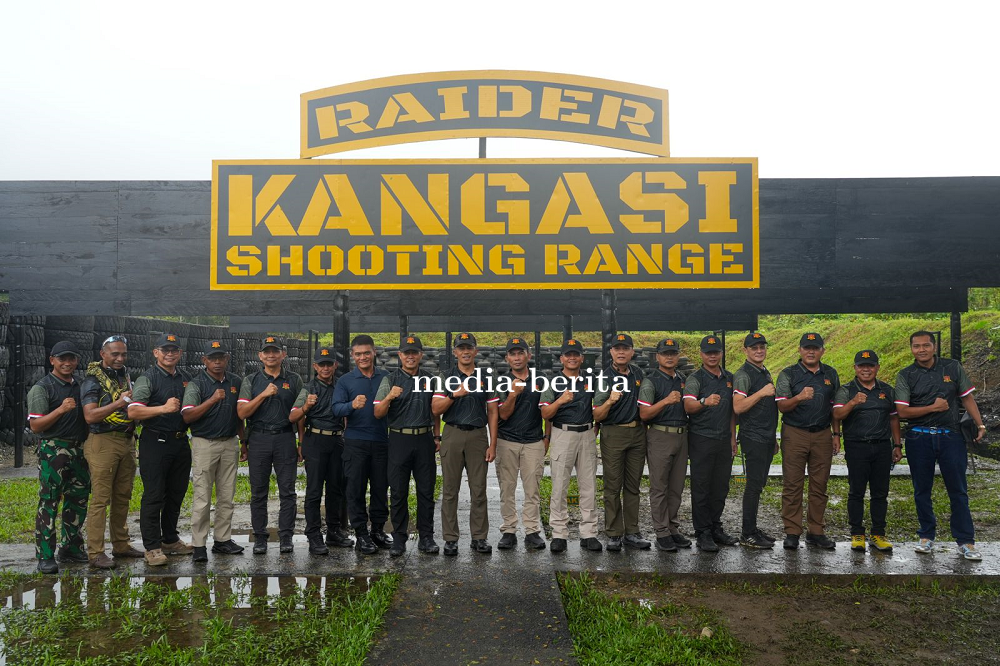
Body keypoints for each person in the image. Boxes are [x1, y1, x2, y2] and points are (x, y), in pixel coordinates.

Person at [894, 331, 986, 561]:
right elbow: (903, 411)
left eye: (926, 345)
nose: (921, 350)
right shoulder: (906, 375)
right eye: (916, 346)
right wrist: (932, 408)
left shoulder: (952, 367)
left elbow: (967, 398)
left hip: (951, 437)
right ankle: (926, 536)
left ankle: (966, 541)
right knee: (921, 490)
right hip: (919, 438)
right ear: (911, 349)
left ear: (934, 347)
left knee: (958, 490)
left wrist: (980, 423)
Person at [128, 333, 193, 566]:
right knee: (154, 495)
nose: (169, 354)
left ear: (180, 354)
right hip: (155, 442)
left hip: (180, 442)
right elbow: (134, 412)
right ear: (156, 353)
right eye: (165, 350)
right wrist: (163, 409)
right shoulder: (148, 378)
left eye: (174, 350)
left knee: (176, 493)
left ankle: (170, 539)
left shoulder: (185, 378)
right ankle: (152, 547)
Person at [27, 341, 90, 574]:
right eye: (62, 358)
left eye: (71, 358)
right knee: (50, 501)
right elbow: (35, 425)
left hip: (79, 450)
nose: (67, 363)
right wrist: (60, 410)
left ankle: (71, 547)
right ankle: (45, 555)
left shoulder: (80, 386)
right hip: (54, 449)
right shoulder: (42, 388)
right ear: (52, 360)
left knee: (78, 499)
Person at [373, 335, 440, 557]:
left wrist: (437, 436)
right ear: (399, 355)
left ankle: (426, 537)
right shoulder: (390, 380)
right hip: (399, 439)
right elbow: (377, 412)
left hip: (424, 438)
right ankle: (399, 539)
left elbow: (435, 410)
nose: (410, 356)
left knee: (426, 490)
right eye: (406, 353)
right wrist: (389, 397)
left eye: (414, 352)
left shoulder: (430, 379)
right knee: (399, 491)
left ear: (421, 355)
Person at [81, 334, 143, 569]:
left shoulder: (123, 376)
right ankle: (96, 552)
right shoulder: (92, 381)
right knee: (100, 499)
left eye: (123, 354)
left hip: (126, 440)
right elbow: (89, 416)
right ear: (102, 354)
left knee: (123, 496)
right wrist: (120, 403)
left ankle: (121, 545)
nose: (119, 358)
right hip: (103, 441)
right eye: (115, 354)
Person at [236, 336, 303, 555]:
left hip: (285, 438)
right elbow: (242, 413)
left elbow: (301, 414)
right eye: (267, 352)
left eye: (275, 351)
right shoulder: (251, 380)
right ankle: (260, 538)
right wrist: (264, 394)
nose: (271, 355)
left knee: (288, 491)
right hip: (259, 439)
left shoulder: (294, 380)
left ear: (283, 355)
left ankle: (286, 537)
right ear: (260, 356)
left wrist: (301, 441)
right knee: (258, 492)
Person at [433, 332, 497, 556]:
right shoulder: (446, 376)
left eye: (469, 347)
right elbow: (435, 409)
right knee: (450, 490)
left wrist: (493, 443)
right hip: (452, 432)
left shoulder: (485, 377)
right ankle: (450, 539)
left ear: (476, 351)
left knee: (479, 489)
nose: (465, 351)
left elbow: (492, 411)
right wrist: (454, 394)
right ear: (455, 352)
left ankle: (479, 537)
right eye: (461, 348)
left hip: (478, 435)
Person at [181, 339, 245, 562]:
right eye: (212, 358)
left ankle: (222, 540)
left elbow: (239, 416)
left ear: (227, 359)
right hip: (204, 443)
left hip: (230, 442)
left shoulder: (235, 381)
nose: (217, 362)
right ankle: (199, 544)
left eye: (221, 358)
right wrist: (212, 399)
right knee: (202, 496)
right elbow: (188, 415)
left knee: (227, 495)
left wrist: (244, 442)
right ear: (204, 360)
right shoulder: (196, 384)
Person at [775, 332, 840, 550]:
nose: (811, 351)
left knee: (819, 484)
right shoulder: (788, 374)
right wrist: (799, 397)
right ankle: (792, 531)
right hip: (795, 433)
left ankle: (816, 531)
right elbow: (782, 406)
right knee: (793, 484)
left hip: (822, 434)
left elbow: (836, 408)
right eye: (806, 348)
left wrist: (836, 434)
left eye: (815, 347)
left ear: (822, 350)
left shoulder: (830, 373)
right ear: (800, 350)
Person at [833, 350, 901, 553]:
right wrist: (853, 402)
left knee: (880, 493)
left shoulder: (887, 390)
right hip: (856, 446)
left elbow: (894, 418)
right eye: (862, 366)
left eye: (870, 366)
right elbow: (836, 414)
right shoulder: (846, 390)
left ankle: (878, 534)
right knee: (856, 491)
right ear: (855, 368)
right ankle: (857, 534)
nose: (866, 369)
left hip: (882, 446)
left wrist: (897, 445)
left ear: (877, 368)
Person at [331, 334, 392, 555]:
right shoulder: (346, 381)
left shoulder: (386, 377)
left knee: (379, 488)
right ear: (352, 356)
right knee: (355, 489)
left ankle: (377, 530)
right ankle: (361, 534)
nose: (363, 357)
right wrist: (351, 405)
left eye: (367, 352)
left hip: (381, 441)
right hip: (355, 443)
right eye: (358, 354)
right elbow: (335, 408)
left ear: (374, 352)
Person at [540, 339, 602, 553]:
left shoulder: (591, 380)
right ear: (562, 359)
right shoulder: (553, 382)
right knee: (559, 485)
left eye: (576, 354)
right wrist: (560, 401)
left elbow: (600, 407)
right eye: (568, 354)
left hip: (586, 433)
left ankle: (589, 533)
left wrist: (597, 426)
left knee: (589, 485)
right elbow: (545, 413)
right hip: (562, 433)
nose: (572, 357)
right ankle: (559, 533)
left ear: (582, 358)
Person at [290, 345, 353, 555]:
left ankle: (334, 531)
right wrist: (306, 407)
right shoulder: (309, 388)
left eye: (329, 364)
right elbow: (293, 417)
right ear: (315, 366)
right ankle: (314, 534)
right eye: (321, 364)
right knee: (314, 491)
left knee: (336, 489)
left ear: (335, 365)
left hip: (337, 441)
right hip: (316, 440)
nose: (325, 368)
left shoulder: (341, 386)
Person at [593, 333, 651, 551]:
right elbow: (597, 415)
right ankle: (614, 533)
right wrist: (610, 400)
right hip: (613, 433)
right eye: (617, 349)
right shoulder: (604, 378)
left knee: (633, 486)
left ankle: (632, 532)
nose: (621, 352)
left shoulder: (638, 373)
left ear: (632, 352)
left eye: (625, 348)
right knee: (612, 485)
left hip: (637, 433)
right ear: (611, 352)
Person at [683, 335, 738, 552]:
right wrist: (704, 402)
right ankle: (703, 532)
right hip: (701, 438)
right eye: (708, 352)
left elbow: (733, 412)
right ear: (701, 354)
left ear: (721, 353)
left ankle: (716, 526)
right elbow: (688, 406)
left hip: (724, 439)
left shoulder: (729, 378)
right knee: (702, 487)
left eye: (716, 352)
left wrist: (733, 437)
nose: (712, 355)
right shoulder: (695, 378)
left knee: (720, 487)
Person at [493, 337, 549, 551]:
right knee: (507, 488)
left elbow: (547, 412)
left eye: (520, 353)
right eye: (512, 354)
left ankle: (532, 530)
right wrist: (513, 395)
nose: (517, 357)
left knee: (532, 488)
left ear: (528, 355)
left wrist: (547, 437)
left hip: (534, 441)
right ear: (507, 358)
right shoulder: (501, 382)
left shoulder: (540, 379)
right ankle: (508, 530)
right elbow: (503, 415)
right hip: (507, 441)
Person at [637, 337, 692, 552]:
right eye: (665, 353)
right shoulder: (651, 381)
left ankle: (673, 527)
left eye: (673, 353)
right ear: (657, 357)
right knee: (659, 486)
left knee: (676, 486)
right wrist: (666, 401)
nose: (669, 357)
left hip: (681, 435)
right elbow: (644, 413)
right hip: (660, 434)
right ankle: (661, 532)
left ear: (678, 356)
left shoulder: (683, 378)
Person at [732, 332, 779, 549]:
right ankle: (747, 533)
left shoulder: (762, 370)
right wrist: (761, 393)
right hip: (753, 437)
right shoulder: (744, 374)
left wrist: (773, 438)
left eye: (762, 347)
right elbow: (738, 406)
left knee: (758, 485)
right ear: (745, 351)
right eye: (754, 348)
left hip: (766, 437)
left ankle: (752, 529)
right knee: (752, 486)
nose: (759, 350)